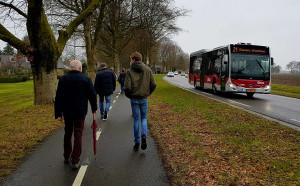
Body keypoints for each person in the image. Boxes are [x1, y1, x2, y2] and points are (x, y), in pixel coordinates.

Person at [55, 60, 97, 170]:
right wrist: (94, 108)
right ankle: (75, 160)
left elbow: (59, 97)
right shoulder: (85, 79)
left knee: (68, 133)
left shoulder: (63, 79)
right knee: (78, 133)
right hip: (80, 111)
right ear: (80, 68)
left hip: (67, 111)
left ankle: (66, 155)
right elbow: (92, 95)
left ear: (70, 68)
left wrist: (58, 113)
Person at [124, 52, 156, 151]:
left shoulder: (129, 71)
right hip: (143, 98)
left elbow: (127, 87)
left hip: (134, 99)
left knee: (136, 119)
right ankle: (144, 135)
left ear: (133, 59)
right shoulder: (148, 69)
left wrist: (129, 96)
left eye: (131, 59)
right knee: (144, 118)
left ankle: (137, 142)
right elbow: (153, 84)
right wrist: (147, 94)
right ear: (140, 59)